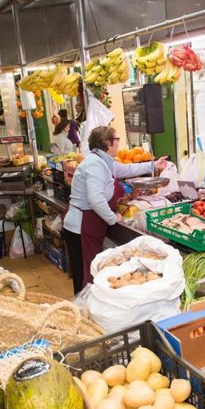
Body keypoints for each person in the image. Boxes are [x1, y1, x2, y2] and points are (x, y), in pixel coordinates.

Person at [63, 126, 168, 294]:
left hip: (90, 224)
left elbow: (127, 169)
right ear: (107, 142)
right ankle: (83, 310)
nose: (119, 142)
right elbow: (95, 199)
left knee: (89, 270)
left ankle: (86, 307)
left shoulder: (104, 161)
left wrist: (153, 165)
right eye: (117, 139)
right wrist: (113, 218)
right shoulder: (95, 164)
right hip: (82, 225)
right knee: (86, 272)